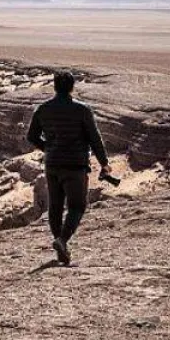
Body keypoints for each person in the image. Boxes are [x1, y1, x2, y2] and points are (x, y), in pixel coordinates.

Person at [26, 71, 111, 265]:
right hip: (75, 165)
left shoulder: (43, 109)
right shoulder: (82, 110)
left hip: (52, 164)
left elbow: (31, 137)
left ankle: (59, 245)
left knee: (55, 207)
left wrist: (48, 147)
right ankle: (62, 241)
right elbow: (94, 138)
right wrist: (104, 162)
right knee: (77, 206)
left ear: (54, 87)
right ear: (72, 87)